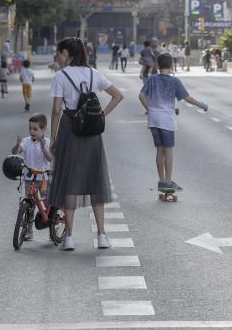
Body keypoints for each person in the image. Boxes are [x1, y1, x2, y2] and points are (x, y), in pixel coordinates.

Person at [49, 37, 124, 251]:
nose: (58, 57)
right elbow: (118, 96)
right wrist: (101, 114)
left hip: (69, 130)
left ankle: (70, 237)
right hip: (92, 132)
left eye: (60, 53)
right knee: (95, 181)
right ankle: (102, 235)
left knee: (69, 184)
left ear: (67, 55)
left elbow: (56, 111)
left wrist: (52, 138)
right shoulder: (94, 74)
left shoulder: (61, 76)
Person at [139, 53, 208, 192]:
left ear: (158, 65)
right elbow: (186, 97)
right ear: (171, 66)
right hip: (166, 120)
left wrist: (150, 109)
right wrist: (201, 104)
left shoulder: (152, 79)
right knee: (168, 151)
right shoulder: (174, 81)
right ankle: (168, 181)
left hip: (153, 119)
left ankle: (161, 181)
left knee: (159, 150)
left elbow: (141, 95)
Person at [10, 114, 53, 241]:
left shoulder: (48, 141)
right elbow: (14, 152)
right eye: (30, 128)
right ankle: (28, 231)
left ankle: (52, 229)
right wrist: (17, 144)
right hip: (29, 178)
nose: (32, 131)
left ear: (43, 129)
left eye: (35, 129)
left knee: (47, 204)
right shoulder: (26, 141)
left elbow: (49, 158)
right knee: (30, 205)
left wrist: (43, 146)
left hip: (44, 178)